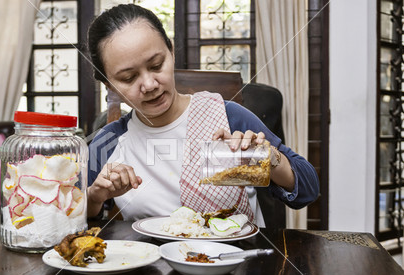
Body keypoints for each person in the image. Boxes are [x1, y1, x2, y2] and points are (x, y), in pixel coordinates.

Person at [86, 4, 319, 224]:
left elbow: (307, 191)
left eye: (157, 65)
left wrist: (268, 158)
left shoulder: (228, 116)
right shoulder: (110, 141)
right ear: (109, 84)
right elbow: (70, 216)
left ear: (171, 52)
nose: (149, 84)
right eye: (128, 78)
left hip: (236, 259)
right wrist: (94, 197)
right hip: (151, 263)